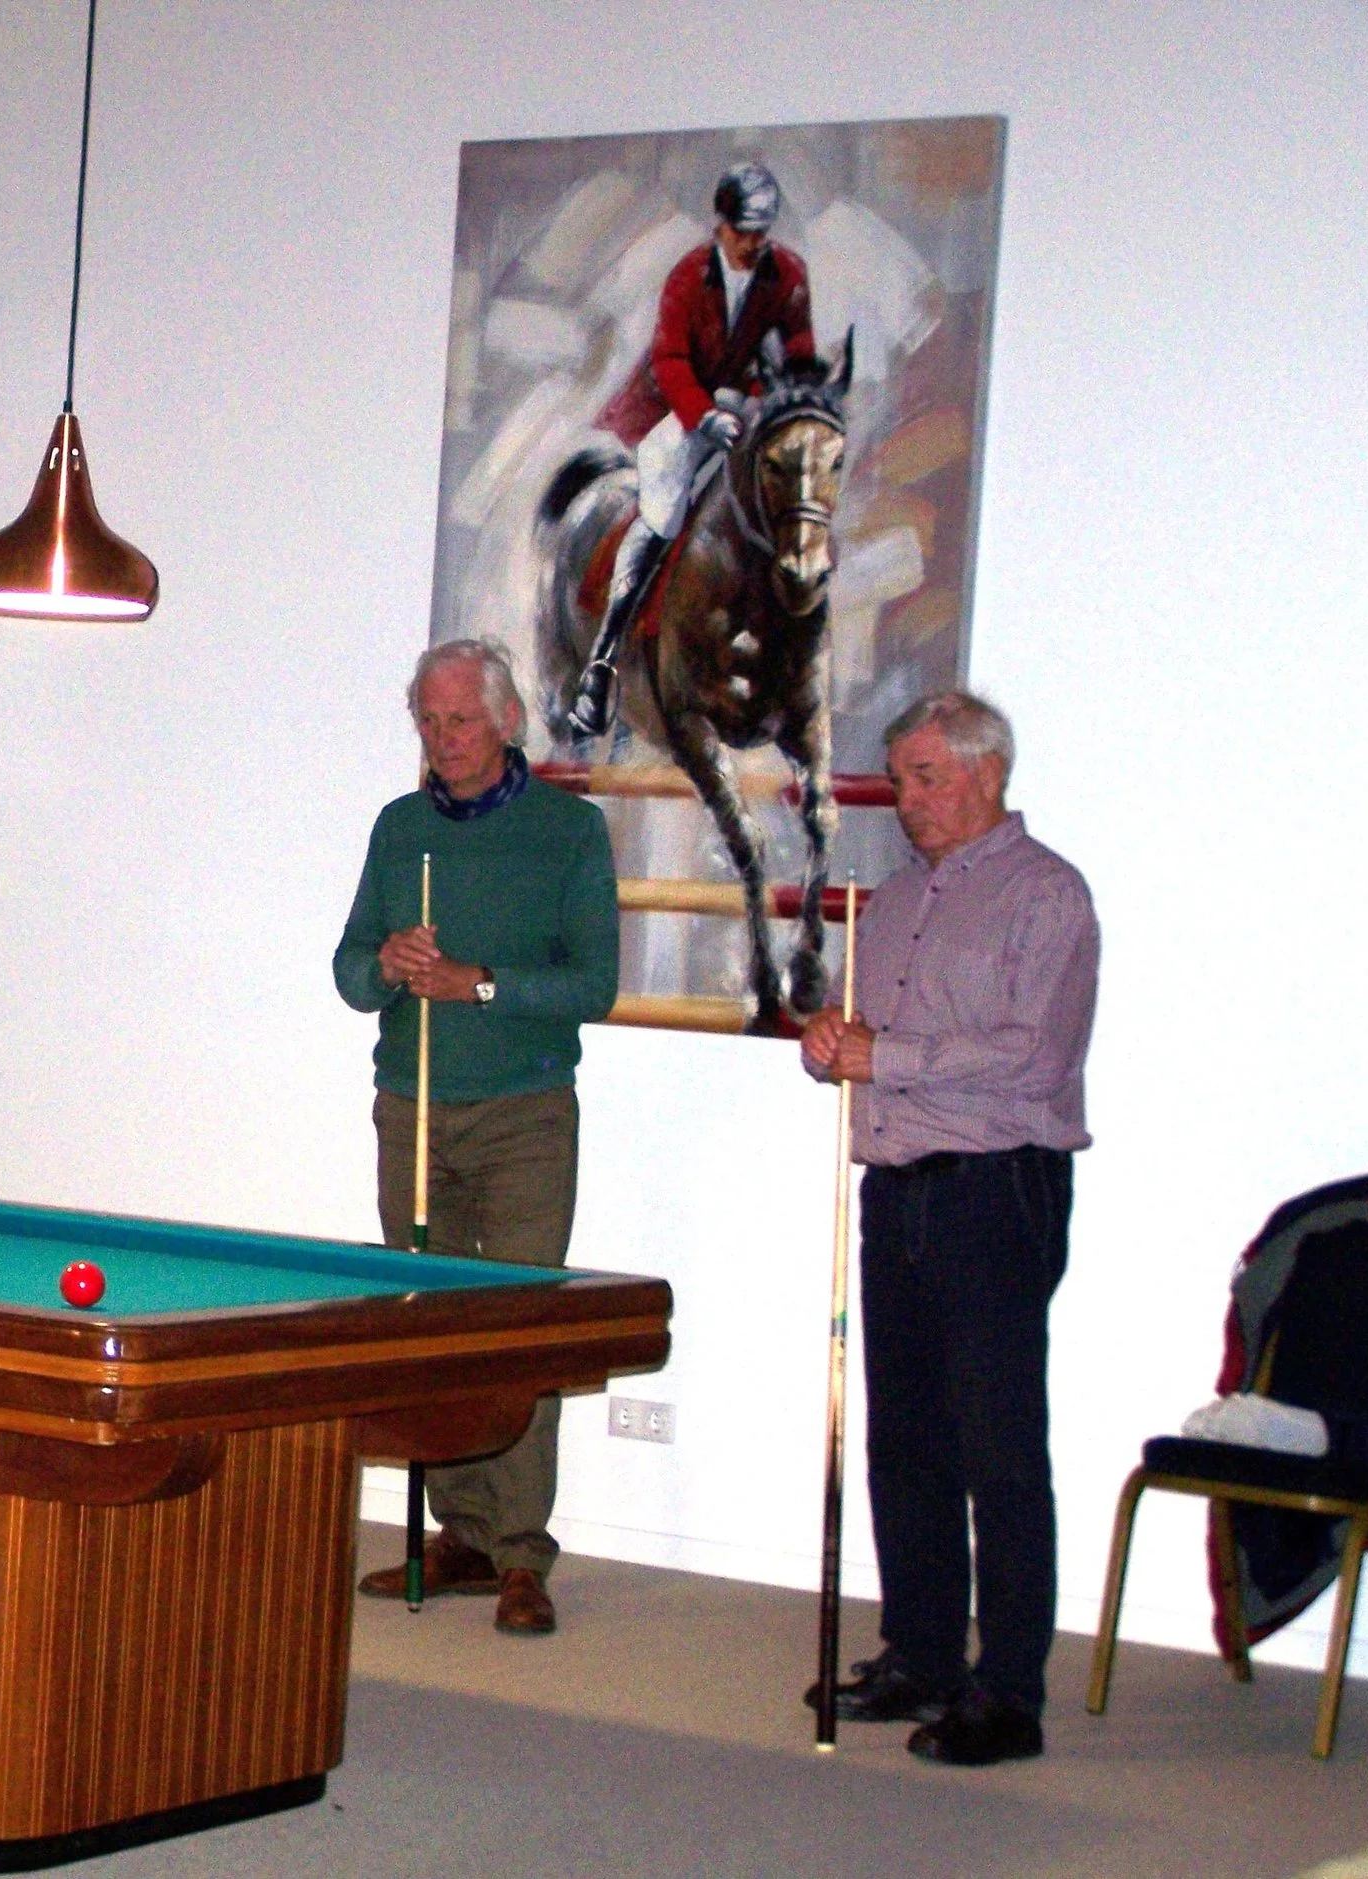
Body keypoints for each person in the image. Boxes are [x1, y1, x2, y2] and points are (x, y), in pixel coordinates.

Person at [798, 690, 1099, 1765]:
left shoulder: (1045, 894)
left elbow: (1035, 1056)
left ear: (986, 774)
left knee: (997, 1444)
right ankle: (920, 1652)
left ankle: (1007, 1692)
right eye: (902, 779)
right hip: (899, 1188)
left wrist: (889, 1056)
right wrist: (832, 1041)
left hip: (994, 1188)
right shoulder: (889, 904)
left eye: (926, 778)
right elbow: (864, 1044)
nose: (909, 799)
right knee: (905, 1437)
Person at [334, 639, 620, 1635]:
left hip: (524, 1112)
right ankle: (458, 1532)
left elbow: (593, 986)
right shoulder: (399, 826)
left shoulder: (568, 829)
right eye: (425, 718)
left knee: (515, 1327)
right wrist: (391, 964)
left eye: (458, 719)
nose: (440, 737)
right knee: (429, 1328)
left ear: (506, 721)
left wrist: (478, 981)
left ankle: (521, 1552)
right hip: (409, 1103)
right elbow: (348, 969)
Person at [568, 161, 817, 737]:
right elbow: (671, 361)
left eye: (761, 233)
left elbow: (797, 350)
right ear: (721, 226)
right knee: (662, 514)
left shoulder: (788, 274)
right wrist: (705, 416)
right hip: (682, 410)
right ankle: (602, 663)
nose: (752, 245)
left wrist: (774, 401)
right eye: (742, 233)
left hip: (751, 409)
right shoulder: (687, 277)